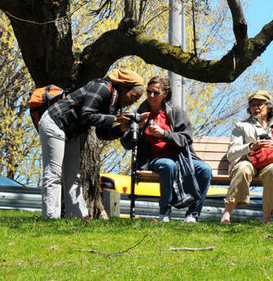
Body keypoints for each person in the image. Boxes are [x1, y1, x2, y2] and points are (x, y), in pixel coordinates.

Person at [39, 68, 144, 219]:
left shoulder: (114, 104)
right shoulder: (102, 88)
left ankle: (77, 216)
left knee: (73, 175)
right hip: (54, 123)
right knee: (54, 173)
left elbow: (101, 134)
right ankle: (50, 217)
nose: (132, 102)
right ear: (123, 86)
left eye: (136, 100)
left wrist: (121, 129)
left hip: (71, 131)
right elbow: (86, 115)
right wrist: (115, 119)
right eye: (132, 96)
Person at [121, 76, 212, 223]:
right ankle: (164, 213)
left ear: (165, 94)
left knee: (205, 170)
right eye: (149, 91)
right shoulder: (140, 113)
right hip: (155, 160)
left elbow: (186, 139)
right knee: (168, 165)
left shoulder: (175, 112)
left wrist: (164, 134)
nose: (151, 95)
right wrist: (136, 128)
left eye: (156, 92)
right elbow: (127, 144)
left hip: (180, 159)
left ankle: (193, 214)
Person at [220, 90, 273, 224]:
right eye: (252, 105)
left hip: (271, 163)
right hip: (248, 161)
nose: (256, 108)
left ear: (268, 107)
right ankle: (227, 214)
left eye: (259, 104)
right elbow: (231, 154)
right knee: (243, 168)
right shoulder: (241, 126)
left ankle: (266, 218)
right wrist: (250, 147)